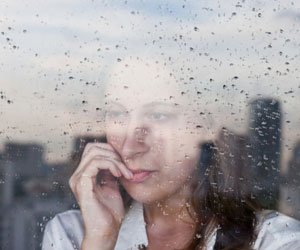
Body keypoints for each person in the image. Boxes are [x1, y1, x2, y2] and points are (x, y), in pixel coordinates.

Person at [42, 55, 300, 250]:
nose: (130, 146)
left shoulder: (274, 240)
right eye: (117, 113)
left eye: (159, 115)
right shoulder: (74, 235)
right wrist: (100, 240)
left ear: (204, 125)